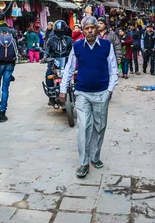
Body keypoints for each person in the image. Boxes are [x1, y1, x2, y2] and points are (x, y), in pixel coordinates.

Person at [59, 16, 118, 178]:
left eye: (93, 27)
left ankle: (95, 156)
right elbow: (69, 68)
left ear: (97, 29)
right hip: (82, 93)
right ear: (83, 31)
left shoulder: (106, 46)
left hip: (101, 93)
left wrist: (110, 90)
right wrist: (63, 88)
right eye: (87, 28)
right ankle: (84, 162)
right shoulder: (77, 46)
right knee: (84, 127)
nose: (90, 30)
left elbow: (113, 69)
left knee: (99, 127)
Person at [44, 21, 74, 104]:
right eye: (58, 30)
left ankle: (78, 91)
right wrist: (45, 58)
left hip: (67, 61)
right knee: (48, 75)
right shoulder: (51, 40)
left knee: (77, 73)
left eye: (61, 30)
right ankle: (51, 95)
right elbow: (47, 50)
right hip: (54, 61)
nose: (59, 32)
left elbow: (74, 50)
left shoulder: (69, 39)